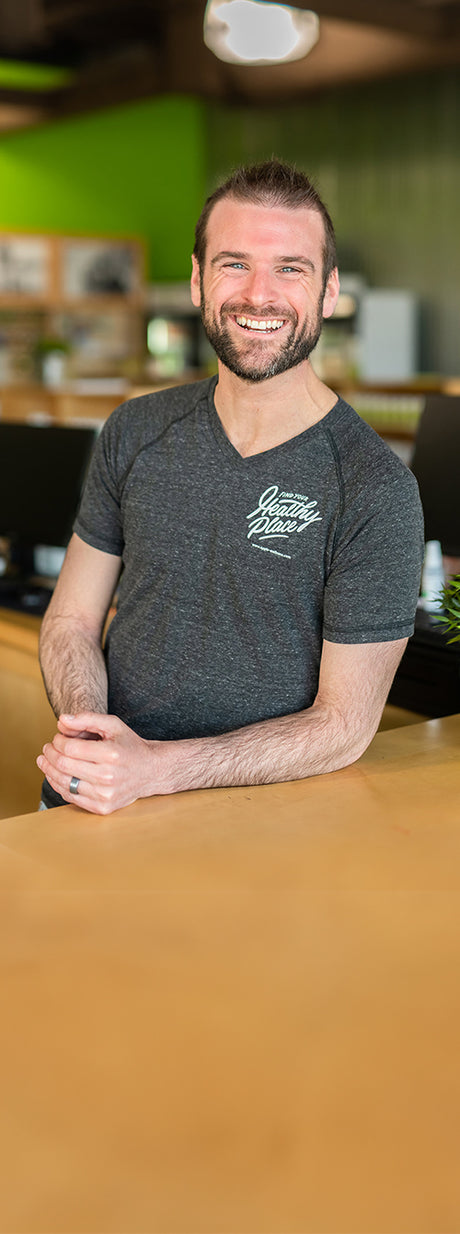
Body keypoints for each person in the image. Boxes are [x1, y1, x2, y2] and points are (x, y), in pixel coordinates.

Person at [37, 159, 424, 815]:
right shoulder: (135, 430)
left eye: (290, 269)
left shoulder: (373, 487)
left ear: (328, 292)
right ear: (197, 279)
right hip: (91, 800)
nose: (258, 293)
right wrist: (93, 737)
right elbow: (70, 620)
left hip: (248, 826)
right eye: (234, 263)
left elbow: (343, 726)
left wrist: (153, 769)